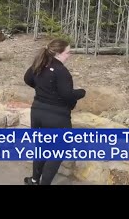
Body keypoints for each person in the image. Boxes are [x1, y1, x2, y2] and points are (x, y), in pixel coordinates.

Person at [23, 38, 86, 185]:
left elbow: (27, 78)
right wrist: (81, 93)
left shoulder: (40, 63)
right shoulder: (61, 71)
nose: (69, 55)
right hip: (56, 117)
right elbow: (67, 95)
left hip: (37, 113)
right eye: (68, 52)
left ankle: (34, 180)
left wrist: (43, 89)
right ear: (58, 53)